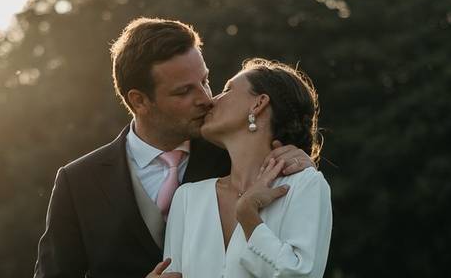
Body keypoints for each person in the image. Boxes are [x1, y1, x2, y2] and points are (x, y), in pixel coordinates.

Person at [34, 18, 314, 278]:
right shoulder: (79, 182)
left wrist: (300, 161)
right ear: (139, 101)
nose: (206, 98)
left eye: (204, 80)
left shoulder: (237, 159)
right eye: (184, 91)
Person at [161, 58, 332, 278]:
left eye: (227, 90)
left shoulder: (305, 185)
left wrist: (248, 215)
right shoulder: (187, 198)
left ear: (258, 104)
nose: (211, 101)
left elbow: (300, 274)